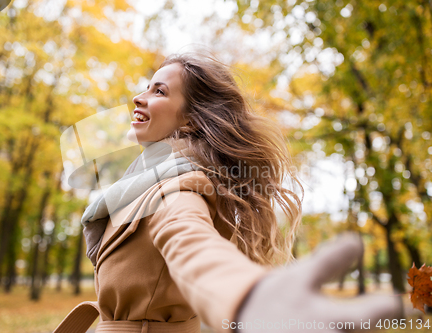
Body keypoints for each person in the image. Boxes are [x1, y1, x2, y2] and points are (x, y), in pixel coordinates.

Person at [54, 50, 402, 333]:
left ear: (189, 120)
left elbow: (193, 248)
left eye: (159, 91)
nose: (138, 97)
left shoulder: (182, 186)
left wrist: (250, 298)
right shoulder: (141, 183)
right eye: (147, 87)